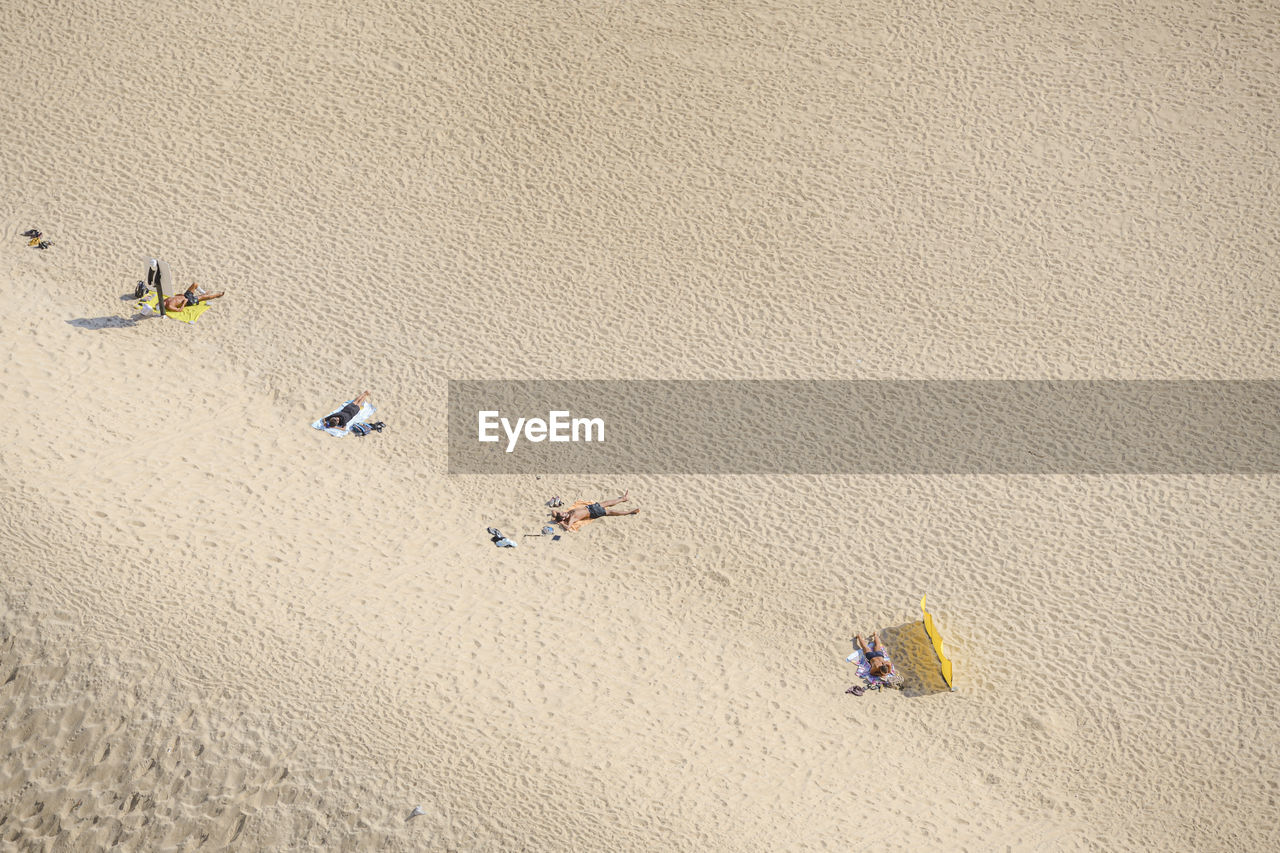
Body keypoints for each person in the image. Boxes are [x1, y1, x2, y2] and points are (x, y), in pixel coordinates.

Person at [551, 491, 639, 529]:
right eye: (562, 514)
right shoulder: (571, 519)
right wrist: (561, 522)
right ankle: (631, 511)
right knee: (611, 512)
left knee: (608, 502)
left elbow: (553, 512)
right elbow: (568, 527)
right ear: (563, 519)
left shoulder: (567, 513)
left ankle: (623, 499)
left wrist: (556, 517)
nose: (562, 512)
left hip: (590, 507)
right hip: (594, 512)